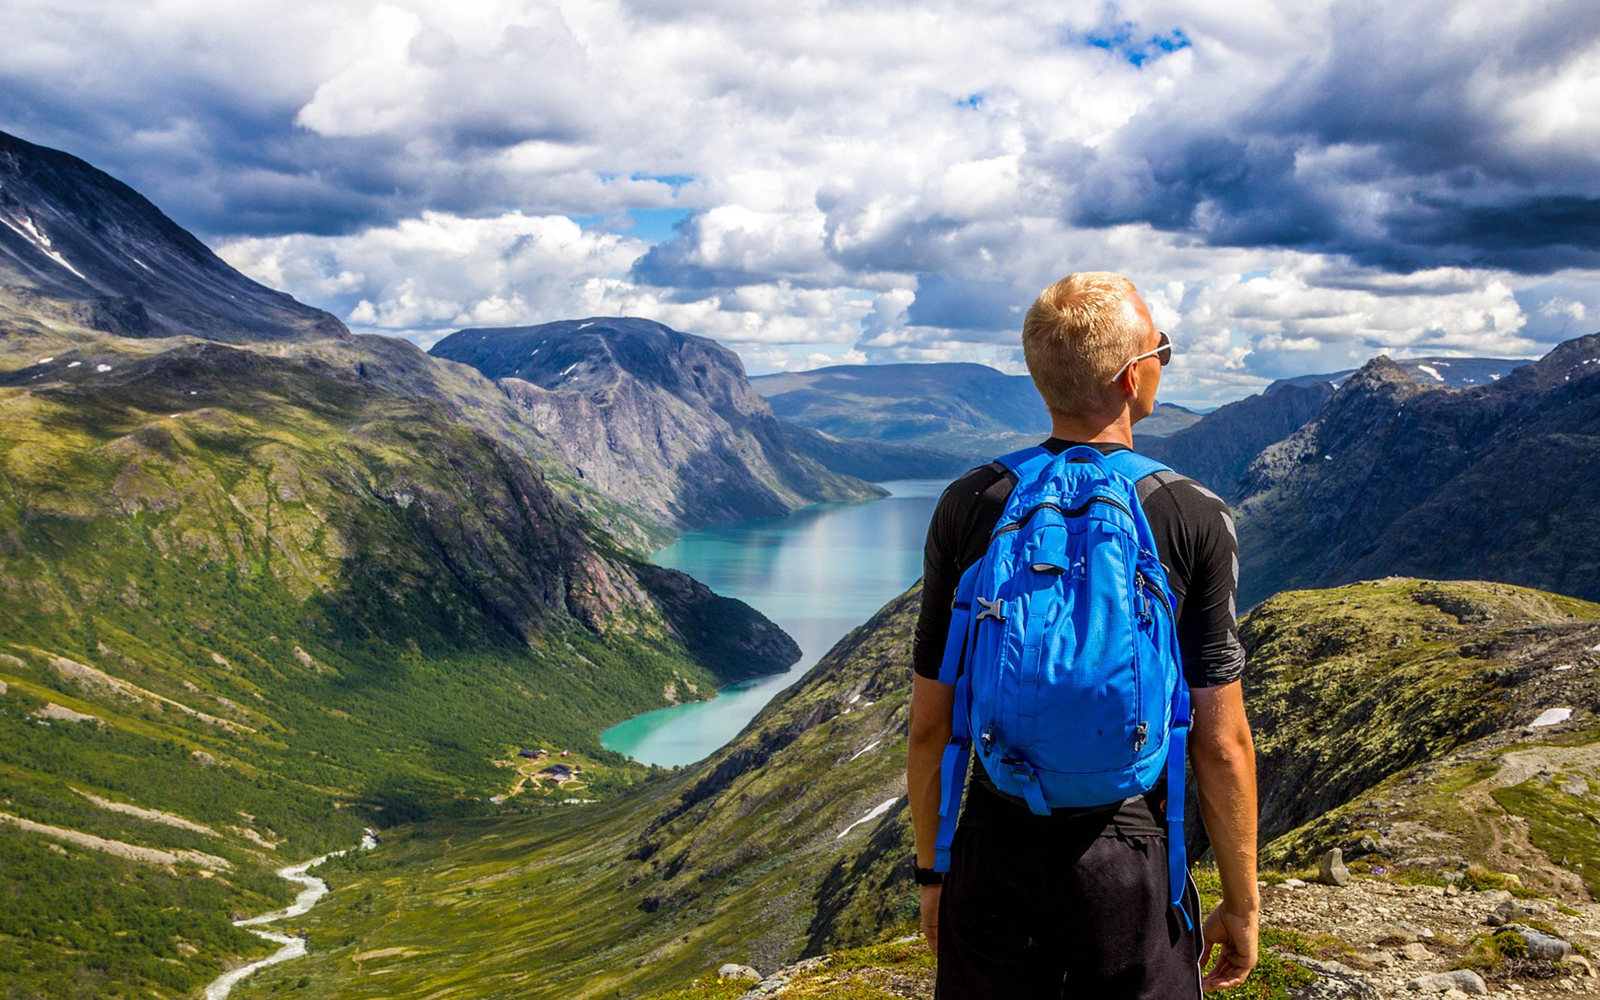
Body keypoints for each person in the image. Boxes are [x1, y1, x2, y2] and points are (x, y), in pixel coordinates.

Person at [906, 271, 1259, 998]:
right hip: (1130, 854)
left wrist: (934, 873)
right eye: (1163, 348)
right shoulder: (1190, 512)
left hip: (995, 841)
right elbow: (1221, 741)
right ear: (1134, 377)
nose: (1164, 360)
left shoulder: (972, 502)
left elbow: (930, 727)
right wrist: (1242, 903)